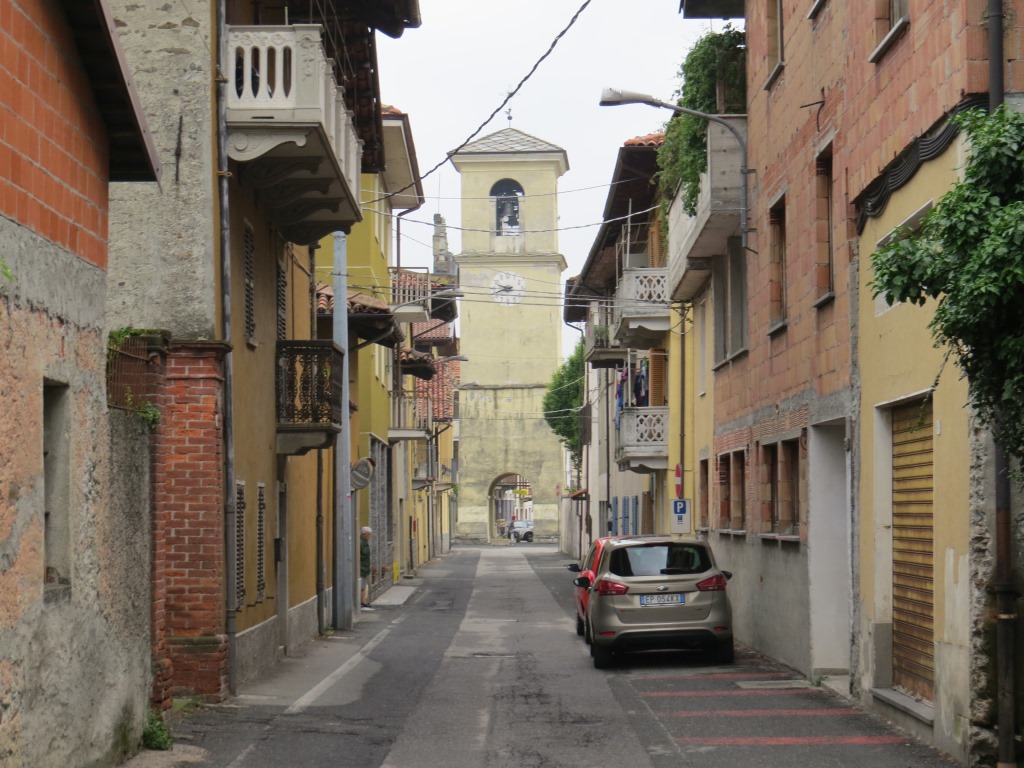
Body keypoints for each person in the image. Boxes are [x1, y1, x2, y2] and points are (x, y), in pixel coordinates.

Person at [360, 526, 373, 610]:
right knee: (362, 586)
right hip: (362, 568)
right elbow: (361, 555)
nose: (369, 536)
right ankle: (362, 602)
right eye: (368, 534)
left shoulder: (365, 542)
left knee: (363, 585)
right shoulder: (361, 543)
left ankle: (363, 601)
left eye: (370, 534)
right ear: (363, 534)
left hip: (365, 567)